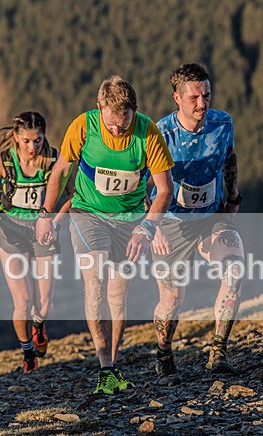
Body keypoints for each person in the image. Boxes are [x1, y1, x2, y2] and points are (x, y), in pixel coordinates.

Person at [36, 75, 174, 394]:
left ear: (134, 111)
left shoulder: (147, 132)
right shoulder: (83, 126)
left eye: (123, 122)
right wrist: (45, 214)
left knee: (117, 293)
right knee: (95, 276)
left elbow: (165, 190)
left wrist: (146, 228)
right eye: (111, 123)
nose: (116, 129)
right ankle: (105, 367)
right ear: (99, 108)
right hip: (88, 214)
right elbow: (59, 172)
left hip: (130, 220)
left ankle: (113, 365)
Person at [149, 63, 245, 376]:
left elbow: (229, 160)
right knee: (172, 298)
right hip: (171, 222)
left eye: (206, 95)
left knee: (234, 269)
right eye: (194, 97)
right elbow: (139, 183)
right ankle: (164, 355)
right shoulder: (161, 133)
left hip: (211, 217)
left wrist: (232, 200)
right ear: (176, 97)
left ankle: (219, 351)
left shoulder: (222, 122)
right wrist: (152, 227)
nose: (202, 103)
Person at [0, 111, 73, 373]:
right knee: (22, 301)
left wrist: (55, 223)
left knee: (44, 304)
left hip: (43, 230)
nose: (33, 147)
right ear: (16, 138)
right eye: (27, 141)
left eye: (38, 140)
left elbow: (71, 196)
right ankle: (27, 352)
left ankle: (39, 326)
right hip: (10, 230)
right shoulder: (3, 162)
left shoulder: (55, 160)